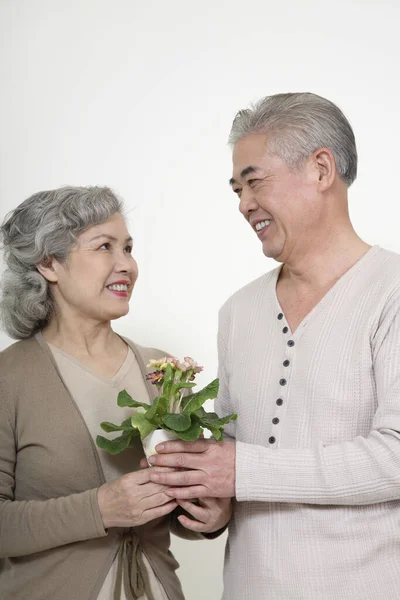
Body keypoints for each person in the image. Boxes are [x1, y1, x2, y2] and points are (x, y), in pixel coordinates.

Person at [147, 93, 400, 599]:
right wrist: (213, 505)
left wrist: (241, 470)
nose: (243, 204)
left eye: (254, 181)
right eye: (236, 189)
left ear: (321, 168)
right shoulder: (237, 311)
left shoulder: (390, 291)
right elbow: (234, 462)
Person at [0, 186, 231, 600]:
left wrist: (209, 516)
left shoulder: (162, 371)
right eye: (104, 247)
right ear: (49, 263)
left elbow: (179, 503)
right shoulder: (9, 377)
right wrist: (99, 510)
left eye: (128, 247)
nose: (126, 265)